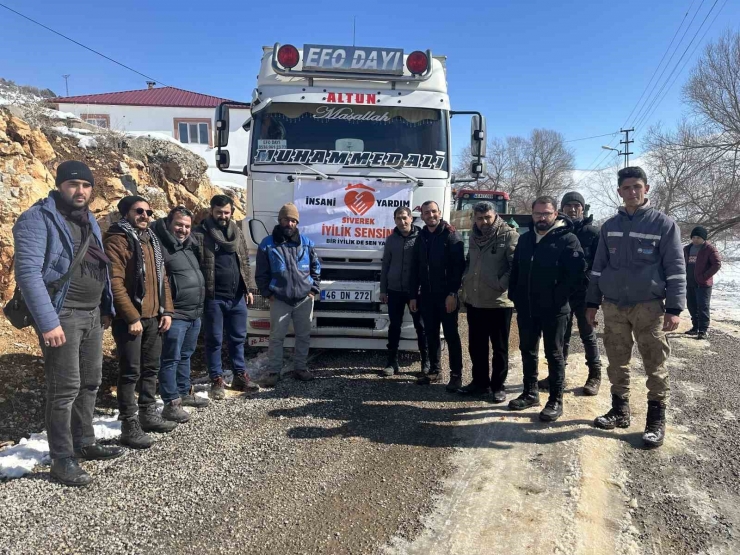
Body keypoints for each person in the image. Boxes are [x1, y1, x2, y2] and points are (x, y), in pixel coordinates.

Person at [12, 160, 121, 486]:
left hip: (90, 315)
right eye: (74, 184)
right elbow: (29, 275)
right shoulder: (37, 219)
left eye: (86, 185)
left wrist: (105, 307)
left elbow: (99, 266)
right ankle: (62, 459)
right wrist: (48, 323)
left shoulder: (89, 220)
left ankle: (85, 442)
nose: (80, 190)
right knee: (64, 390)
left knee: (90, 381)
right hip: (62, 316)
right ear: (60, 185)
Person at [586, 166, 686, 448]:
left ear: (646, 189)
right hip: (614, 307)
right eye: (626, 187)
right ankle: (620, 410)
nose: (632, 192)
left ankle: (656, 419)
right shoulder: (610, 226)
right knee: (617, 361)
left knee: (655, 364)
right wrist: (592, 303)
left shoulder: (663, 225)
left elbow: (676, 269)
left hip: (649, 307)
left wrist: (675, 308)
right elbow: (598, 268)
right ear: (619, 192)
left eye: (637, 186)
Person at [105, 195, 176, 449]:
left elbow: (162, 279)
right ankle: (129, 424)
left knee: (150, 368)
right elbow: (115, 282)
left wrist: (166, 310)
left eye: (148, 211)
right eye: (139, 211)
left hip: (154, 318)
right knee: (130, 373)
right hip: (131, 320)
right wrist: (131, 316)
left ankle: (148, 414)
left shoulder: (152, 241)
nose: (145, 215)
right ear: (126, 213)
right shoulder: (117, 240)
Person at [508, 196, 586, 422]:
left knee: (554, 354)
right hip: (527, 307)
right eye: (537, 214)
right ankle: (530, 392)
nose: (542, 218)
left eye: (547, 213)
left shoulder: (568, 240)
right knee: (528, 350)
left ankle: (555, 399)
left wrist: (558, 298)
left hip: (555, 309)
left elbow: (576, 277)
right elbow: (517, 271)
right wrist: (515, 295)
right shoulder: (525, 239)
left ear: (556, 214)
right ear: (531, 214)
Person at [192, 195, 258, 399]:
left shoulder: (236, 233)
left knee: (238, 338)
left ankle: (240, 375)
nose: (223, 216)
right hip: (213, 297)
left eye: (227, 212)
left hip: (237, 296)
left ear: (231, 212)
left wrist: (248, 288)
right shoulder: (200, 234)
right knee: (214, 340)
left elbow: (244, 261)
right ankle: (216, 380)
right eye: (219, 212)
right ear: (211, 211)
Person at [539, 192, 602, 396]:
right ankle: (558, 375)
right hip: (562, 292)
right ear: (562, 209)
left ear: (583, 208)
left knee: (587, 335)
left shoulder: (592, 232)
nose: (573, 209)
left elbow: (601, 262)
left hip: (584, 292)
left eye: (577, 205)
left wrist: (588, 278)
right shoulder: (556, 230)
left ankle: (594, 375)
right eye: (568, 206)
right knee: (561, 336)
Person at [152, 206, 209, 423]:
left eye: (186, 226)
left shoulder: (189, 246)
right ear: (169, 223)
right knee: (170, 358)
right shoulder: (161, 247)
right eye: (179, 225)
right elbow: (161, 282)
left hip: (194, 313)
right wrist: (166, 310)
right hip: (175, 314)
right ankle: (171, 402)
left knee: (186, 355)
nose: (183, 230)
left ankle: (184, 392)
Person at [458, 201, 518, 403]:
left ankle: (498, 386)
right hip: (476, 301)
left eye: (487, 218)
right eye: (480, 218)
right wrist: (465, 280)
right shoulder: (474, 236)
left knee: (499, 348)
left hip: (498, 303)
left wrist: (501, 285)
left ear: (495, 216)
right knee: (476, 346)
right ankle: (479, 383)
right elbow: (469, 262)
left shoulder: (508, 235)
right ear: (474, 218)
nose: (484, 222)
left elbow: (515, 266)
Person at [255, 203, 321, 385]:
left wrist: (313, 289)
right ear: (280, 220)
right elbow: (261, 273)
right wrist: (268, 293)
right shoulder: (267, 244)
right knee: (276, 337)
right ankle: (274, 371)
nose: (289, 223)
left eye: (293, 220)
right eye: (286, 219)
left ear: (297, 223)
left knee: (303, 335)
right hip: (280, 299)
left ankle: (300, 368)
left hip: (303, 299)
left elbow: (316, 267)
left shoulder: (307, 243)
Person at [409, 201, 465, 390]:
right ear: (422, 216)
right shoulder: (421, 237)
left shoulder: (450, 235)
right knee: (430, 334)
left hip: (446, 297)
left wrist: (452, 293)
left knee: (451, 336)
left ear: (439, 213)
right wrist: (413, 295)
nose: (431, 215)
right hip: (427, 296)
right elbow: (415, 269)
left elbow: (458, 268)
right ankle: (434, 371)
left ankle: (456, 375)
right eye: (426, 212)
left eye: (434, 211)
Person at [379, 206, 428, 377]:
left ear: (411, 219)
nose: (402, 221)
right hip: (394, 291)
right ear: (394, 220)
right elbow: (385, 265)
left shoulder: (421, 238)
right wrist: (383, 289)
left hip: (416, 292)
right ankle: (392, 363)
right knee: (394, 326)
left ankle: (426, 363)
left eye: (405, 217)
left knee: (420, 326)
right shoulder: (391, 239)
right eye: (398, 218)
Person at [683, 226, 721, 340]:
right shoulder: (687, 249)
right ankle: (695, 327)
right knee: (691, 305)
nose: (695, 239)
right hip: (689, 282)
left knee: (702, 306)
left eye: (698, 237)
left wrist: (705, 276)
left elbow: (717, 264)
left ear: (703, 238)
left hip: (703, 284)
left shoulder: (709, 249)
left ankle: (703, 330)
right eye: (693, 237)